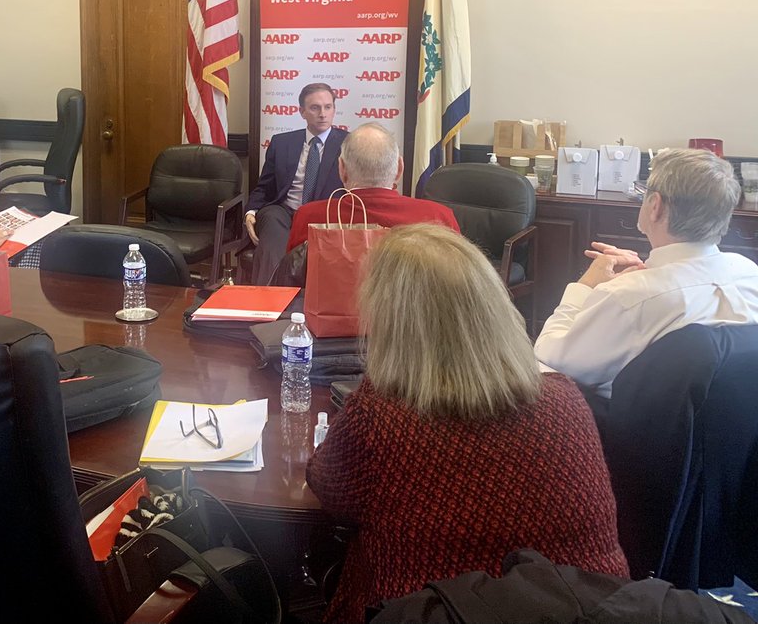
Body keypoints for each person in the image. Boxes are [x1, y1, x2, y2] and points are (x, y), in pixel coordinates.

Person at [307, 224, 627, 621]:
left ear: (392, 322)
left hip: (435, 612)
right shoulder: (567, 401)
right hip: (591, 612)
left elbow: (327, 487)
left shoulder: (380, 418)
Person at [534, 147, 758, 399]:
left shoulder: (629, 296)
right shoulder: (749, 272)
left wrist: (586, 286)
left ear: (655, 205)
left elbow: (550, 356)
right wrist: (648, 271)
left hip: (623, 429)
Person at [286, 122, 459, 250]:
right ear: (399, 169)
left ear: (342, 169)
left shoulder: (308, 217)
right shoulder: (439, 217)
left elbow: (294, 283)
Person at [245, 83, 347, 284]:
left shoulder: (349, 144)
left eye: (328, 107)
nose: (323, 114)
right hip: (285, 212)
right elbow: (264, 187)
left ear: (334, 109)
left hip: (324, 216)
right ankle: (267, 300)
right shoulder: (282, 142)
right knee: (272, 222)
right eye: (315, 108)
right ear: (302, 112)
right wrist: (251, 212)